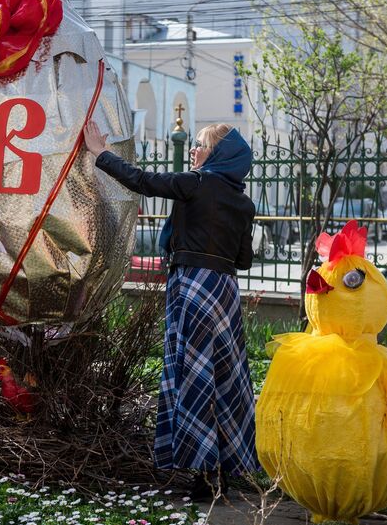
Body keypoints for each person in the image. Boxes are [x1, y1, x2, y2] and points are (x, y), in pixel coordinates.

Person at [84, 121, 258, 499]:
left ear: (218, 154)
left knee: (194, 375)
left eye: (201, 146)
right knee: (225, 377)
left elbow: (144, 181)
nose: (194, 151)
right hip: (225, 291)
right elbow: (243, 259)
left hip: (193, 285)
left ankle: (203, 474)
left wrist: (101, 153)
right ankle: (225, 469)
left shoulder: (197, 184)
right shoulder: (243, 201)